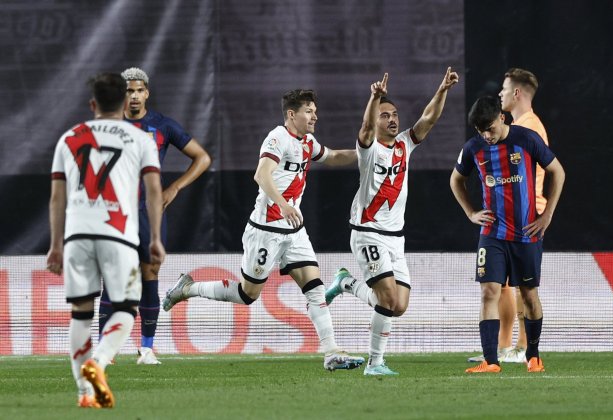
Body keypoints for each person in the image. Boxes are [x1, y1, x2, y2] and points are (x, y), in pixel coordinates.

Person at [161, 88, 365, 371]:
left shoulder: (308, 142)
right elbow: (261, 174)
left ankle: (331, 352)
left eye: (315, 111)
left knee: (315, 288)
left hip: (293, 230)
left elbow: (332, 157)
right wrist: (282, 204)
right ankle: (188, 288)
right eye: (309, 111)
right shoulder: (277, 137)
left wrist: (365, 154)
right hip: (265, 230)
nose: (315, 116)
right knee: (247, 295)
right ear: (292, 114)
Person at [325, 68, 460, 375]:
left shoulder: (404, 145)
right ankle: (375, 363)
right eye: (385, 115)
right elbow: (365, 127)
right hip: (367, 232)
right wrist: (374, 98)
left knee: (398, 305)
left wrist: (442, 89)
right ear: (376, 120)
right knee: (387, 297)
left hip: (395, 237)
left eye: (394, 114)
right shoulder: (369, 149)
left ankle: (345, 282)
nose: (392, 119)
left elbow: (428, 119)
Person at [46, 73, 165, 408]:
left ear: (92, 104)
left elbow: (57, 198)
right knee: (126, 308)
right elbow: (153, 191)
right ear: (125, 102)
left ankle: (85, 393)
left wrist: (55, 245)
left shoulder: (69, 138)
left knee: (80, 313)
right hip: (119, 235)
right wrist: (155, 237)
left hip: (78, 234)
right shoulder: (140, 138)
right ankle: (98, 363)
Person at [98, 67, 211, 365]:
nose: (134, 96)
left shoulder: (162, 126)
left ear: (146, 93)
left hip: (149, 215)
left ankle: (146, 348)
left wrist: (174, 188)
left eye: (138, 91)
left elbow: (203, 158)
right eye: (128, 91)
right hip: (116, 214)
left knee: (149, 277)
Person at [450, 95, 564, 373]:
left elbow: (557, 172)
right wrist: (471, 213)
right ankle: (491, 361)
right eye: (481, 131)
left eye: (489, 128)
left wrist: (547, 215)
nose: (486, 136)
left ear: (501, 117)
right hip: (492, 233)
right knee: (489, 291)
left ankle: (533, 356)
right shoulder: (473, 148)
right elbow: (456, 179)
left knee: (528, 295)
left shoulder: (527, 139)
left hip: (526, 233)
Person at [468, 68, 550, 364]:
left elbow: (543, 172)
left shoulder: (529, 128)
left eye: (504, 89)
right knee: (498, 286)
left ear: (516, 93)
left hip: (527, 217)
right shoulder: (512, 126)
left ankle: (523, 347)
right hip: (503, 220)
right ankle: (503, 347)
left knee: (523, 288)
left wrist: (541, 211)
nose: (500, 94)